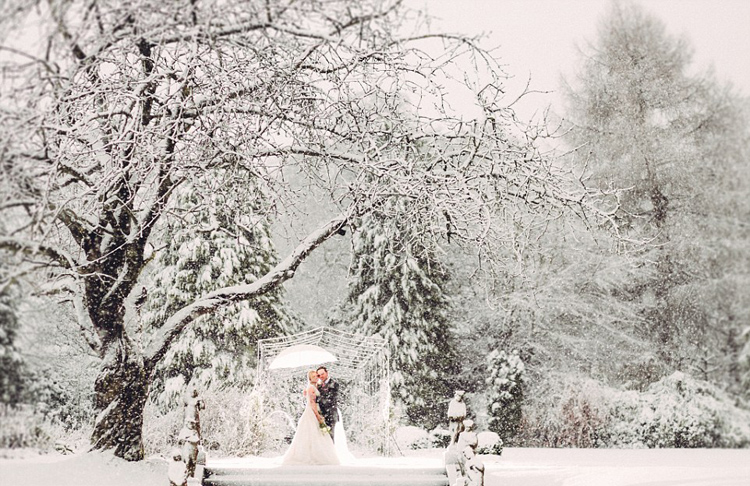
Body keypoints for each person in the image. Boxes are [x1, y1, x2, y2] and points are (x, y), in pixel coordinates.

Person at [282, 370, 340, 465]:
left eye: (317, 375)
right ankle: (313, 454)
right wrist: (318, 416)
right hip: (312, 412)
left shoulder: (316, 386)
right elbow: (312, 403)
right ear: (310, 379)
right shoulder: (311, 388)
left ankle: (322, 453)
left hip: (319, 411)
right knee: (312, 433)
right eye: (314, 376)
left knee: (318, 433)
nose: (317, 377)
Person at [316, 366, 340, 443]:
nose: (321, 376)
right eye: (319, 375)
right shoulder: (319, 386)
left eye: (322, 374)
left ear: (327, 373)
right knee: (322, 437)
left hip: (331, 414)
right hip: (322, 415)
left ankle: (331, 454)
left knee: (330, 436)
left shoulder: (334, 384)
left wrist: (319, 398)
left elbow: (332, 399)